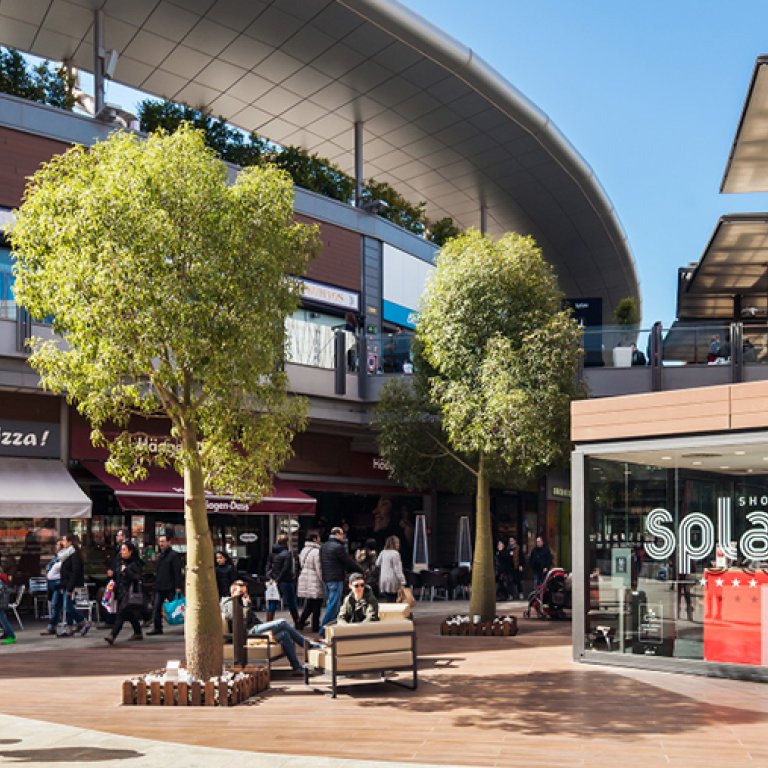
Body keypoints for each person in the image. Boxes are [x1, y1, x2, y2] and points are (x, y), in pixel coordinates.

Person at [221, 580, 312, 675]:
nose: (244, 595)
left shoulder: (240, 603)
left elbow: (253, 619)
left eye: (245, 593)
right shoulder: (230, 604)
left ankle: (296, 667)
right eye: (240, 593)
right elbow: (239, 620)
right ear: (232, 593)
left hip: (254, 629)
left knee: (285, 634)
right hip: (247, 633)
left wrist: (265, 628)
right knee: (282, 622)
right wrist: (246, 606)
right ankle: (307, 645)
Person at [318, 526, 360, 635]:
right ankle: (323, 629)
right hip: (336, 578)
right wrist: (359, 569)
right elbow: (347, 561)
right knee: (333, 605)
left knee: (331, 604)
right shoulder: (338, 547)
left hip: (327, 578)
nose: (343, 536)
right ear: (337, 534)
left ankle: (333, 628)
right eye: (342, 534)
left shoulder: (324, 546)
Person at [105, 541, 144, 645]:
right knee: (129, 613)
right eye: (121, 550)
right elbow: (118, 577)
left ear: (130, 552)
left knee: (121, 614)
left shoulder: (135, 563)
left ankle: (112, 635)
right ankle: (138, 632)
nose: (121, 552)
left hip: (129, 593)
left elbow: (137, 578)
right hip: (121, 592)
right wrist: (112, 575)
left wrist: (127, 571)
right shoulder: (120, 562)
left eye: (124, 550)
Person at [147, 533, 183, 636]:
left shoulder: (174, 555)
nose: (161, 544)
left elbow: (177, 572)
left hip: (171, 586)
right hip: (160, 586)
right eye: (160, 542)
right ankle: (157, 627)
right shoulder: (160, 555)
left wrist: (178, 586)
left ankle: (185, 623)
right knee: (157, 607)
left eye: (163, 541)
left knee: (177, 606)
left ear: (169, 542)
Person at [58, 533, 91, 637]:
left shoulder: (74, 554)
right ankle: (69, 628)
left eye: (64, 540)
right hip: (66, 583)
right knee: (67, 606)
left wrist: (70, 588)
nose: (62, 543)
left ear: (70, 542)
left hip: (71, 585)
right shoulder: (67, 553)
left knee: (68, 606)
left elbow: (75, 572)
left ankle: (83, 621)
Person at [265, 533, 299, 626]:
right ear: (286, 542)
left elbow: (268, 566)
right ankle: (297, 622)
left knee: (273, 601)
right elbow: (285, 568)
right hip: (285, 581)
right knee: (291, 601)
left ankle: (268, 623)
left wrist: (271, 578)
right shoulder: (287, 554)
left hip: (273, 581)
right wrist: (279, 579)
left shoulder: (272, 553)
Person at [296, 531, 324, 633]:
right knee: (316, 604)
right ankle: (315, 627)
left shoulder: (303, 550)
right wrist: (323, 580)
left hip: (305, 578)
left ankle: (301, 622)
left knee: (310, 603)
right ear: (314, 539)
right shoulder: (316, 552)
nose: (320, 540)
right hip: (314, 579)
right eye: (318, 537)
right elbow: (319, 568)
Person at [40, 538, 64, 635]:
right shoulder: (56, 556)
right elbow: (49, 567)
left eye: (58, 545)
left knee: (56, 605)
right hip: (52, 584)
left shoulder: (63, 557)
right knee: (55, 606)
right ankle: (52, 627)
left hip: (58, 584)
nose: (56, 547)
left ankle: (52, 626)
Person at [376, 535, 406, 602]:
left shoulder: (383, 552)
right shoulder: (395, 554)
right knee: (394, 598)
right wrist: (403, 581)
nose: (398, 545)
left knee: (388, 598)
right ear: (393, 544)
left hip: (383, 578)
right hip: (393, 579)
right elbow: (397, 569)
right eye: (397, 543)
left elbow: (377, 563)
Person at [0, 578, 16, 645]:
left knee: (3, 619)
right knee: (2, 618)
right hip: (2, 601)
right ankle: (7, 634)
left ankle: (11, 636)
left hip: (1, 602)